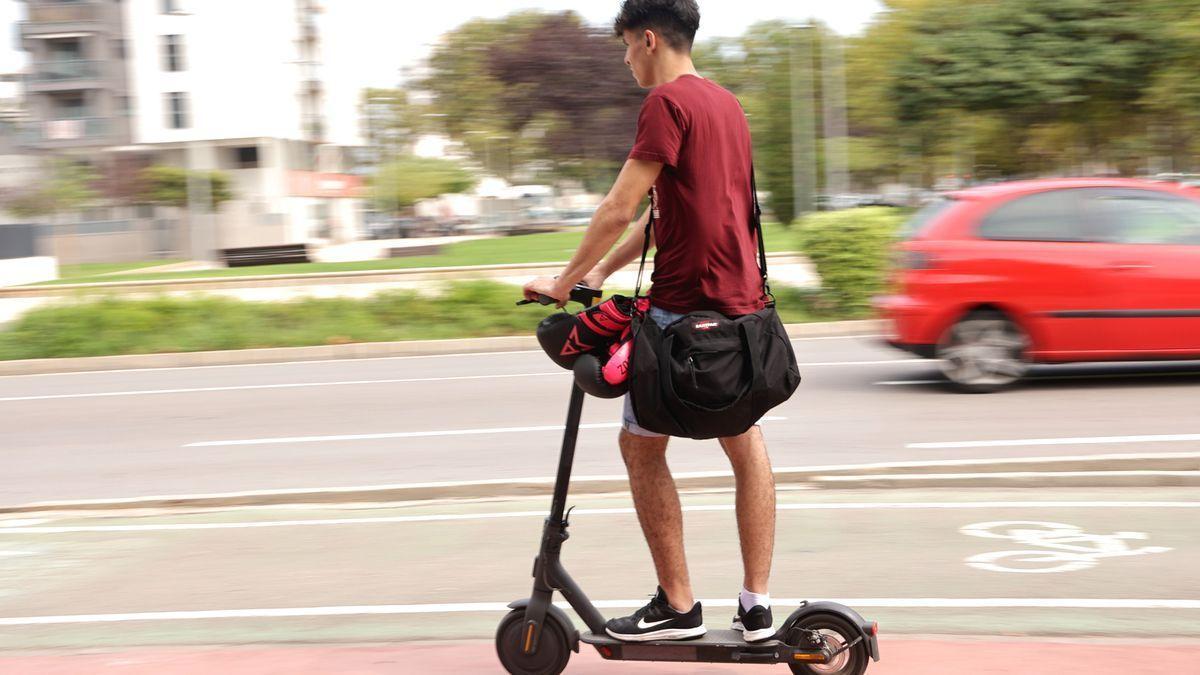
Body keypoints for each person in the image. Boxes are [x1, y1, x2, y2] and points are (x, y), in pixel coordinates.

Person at [522, 0, 776, 644]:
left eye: (627, 46)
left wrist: (561, 284)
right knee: (744, 445)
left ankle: (678, 605)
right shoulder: (728, 106)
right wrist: (601, 274)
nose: (626, 58)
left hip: (681, 313)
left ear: (650, 39)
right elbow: (666, 216)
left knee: (639, 445)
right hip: (743, 310)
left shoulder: (666, 105)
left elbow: (619, 205)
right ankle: (755, 606)